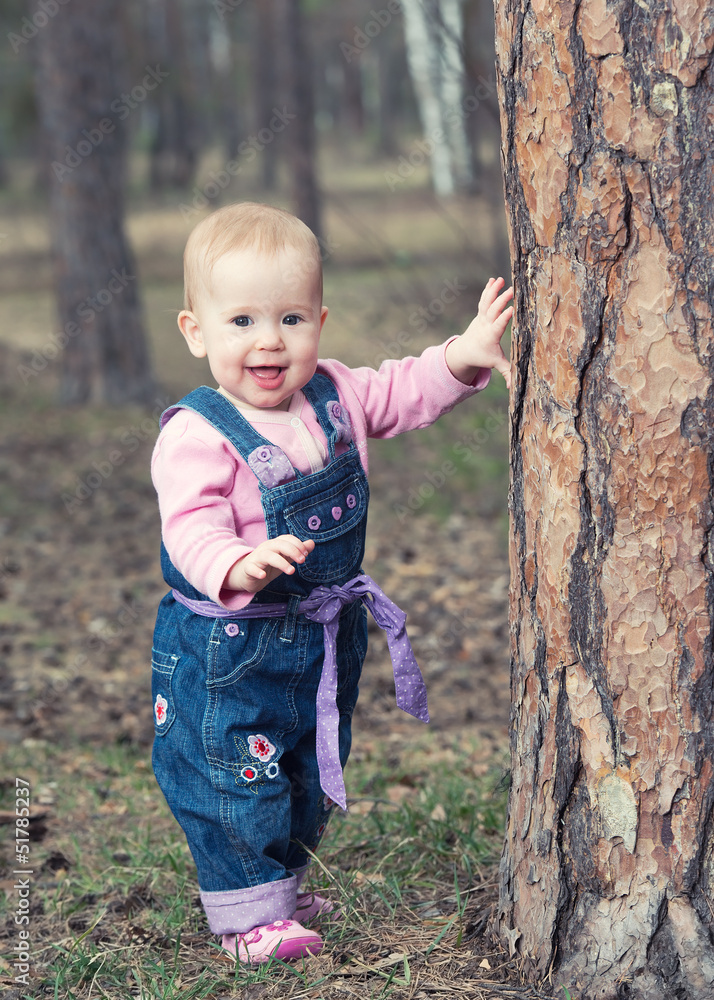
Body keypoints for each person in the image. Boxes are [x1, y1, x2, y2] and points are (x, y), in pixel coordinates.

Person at [150, 202, 513, 965]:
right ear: (196, 332)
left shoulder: (336, 395)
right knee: (234, 768)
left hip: (321, 633)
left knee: (310, 762)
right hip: (230, 646)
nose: (269, 341)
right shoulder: (197, 431)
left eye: (290, 318)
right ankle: (248, 912)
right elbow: (189, 524)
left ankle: (280, 880)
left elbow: (403, 389)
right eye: (242, 321)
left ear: (320, 319)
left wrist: (464, 354)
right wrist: (231, 563)